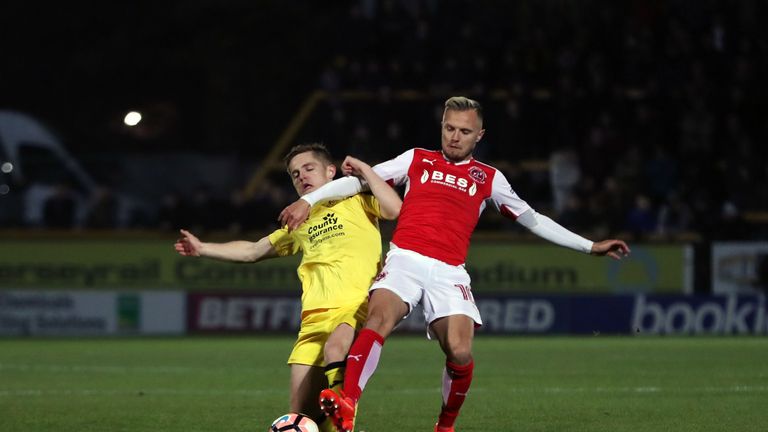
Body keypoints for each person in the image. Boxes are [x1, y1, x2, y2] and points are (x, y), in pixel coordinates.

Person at [278, 97, 631, 432]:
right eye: (449, 128)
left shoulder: (489, 178)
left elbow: (533, 219)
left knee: (460, 352)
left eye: (464, 131)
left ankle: (445, 425)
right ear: (442, 127)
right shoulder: (417, 159)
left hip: (448, 271)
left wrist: (590, 246)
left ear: (479, 136)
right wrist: (309, 200)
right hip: (405, 258)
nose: (455, 136)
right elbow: (355, 183)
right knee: (379, 317)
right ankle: (348, 403)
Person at [175, 143, 401, 432]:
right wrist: (203, 247)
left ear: (330, 171)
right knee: (301, 418)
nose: (301, 176)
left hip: (355, 306)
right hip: (312, 321)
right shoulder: (299, 220)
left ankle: (347, 419)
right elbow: (252, 251)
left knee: (336, 350)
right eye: (295, 174)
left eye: (309, 168)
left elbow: (394, 208)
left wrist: (365, 172)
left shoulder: (357, 201)